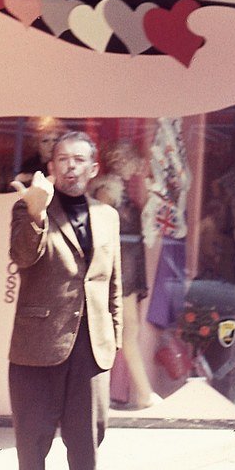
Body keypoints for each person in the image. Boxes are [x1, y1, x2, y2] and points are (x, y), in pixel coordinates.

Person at [8, 130, 123, 470]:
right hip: (37, 348)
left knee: (87, 448)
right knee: (32, 445)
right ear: (51, 166)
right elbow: (23, 257)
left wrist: (113, 342)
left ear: (92, 169)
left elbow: (112, 286)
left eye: (78, 160)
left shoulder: (107, 216)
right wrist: (37, 211)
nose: (70, 166)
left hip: (91, 352)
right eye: (62, 159)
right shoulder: (30, 206)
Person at [89, 139, 160, 410]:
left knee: (126, 329)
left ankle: (141, 392)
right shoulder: (108, 190)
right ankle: (142, 392)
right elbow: (101, 233)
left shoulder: (118, 191)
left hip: (127, 267)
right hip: (120, 270)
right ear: (121, 160)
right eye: (133, 160)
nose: (138, 166)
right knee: (125, 329)